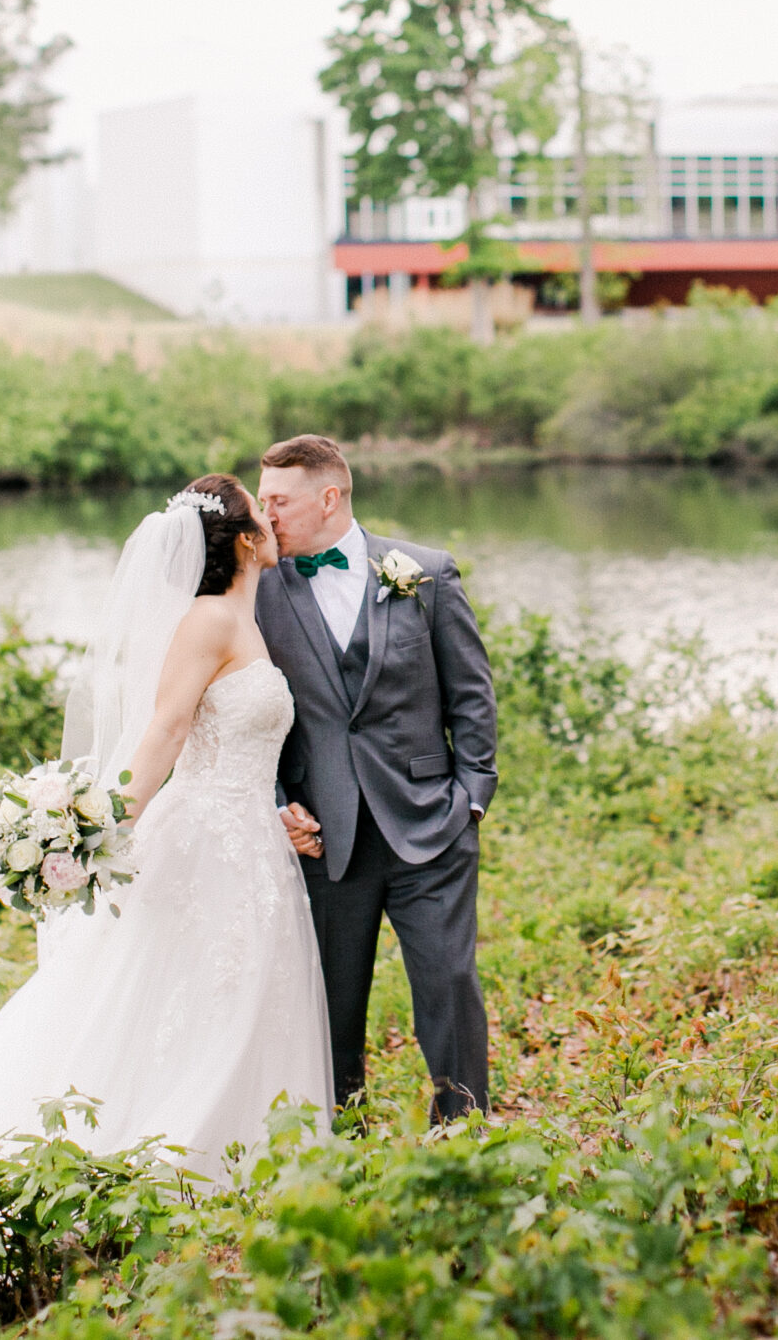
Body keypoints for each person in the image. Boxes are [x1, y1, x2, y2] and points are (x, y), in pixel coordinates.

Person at [0, 475, 331, 1182]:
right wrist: (97, 832)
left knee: (239, 996)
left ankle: (257, 1154)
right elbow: (166, 732)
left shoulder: (246, 619)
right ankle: (168, 1158)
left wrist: (275, 813)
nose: (273, 517)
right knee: (178, 993)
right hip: (202, 839)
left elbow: (234, 744)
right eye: (262, 508)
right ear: (248, 540)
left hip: (248, 839)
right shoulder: (207, 620)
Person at [256, 434, 497, 1121]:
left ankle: (464, 1130)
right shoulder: (261, 591)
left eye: (278, 501)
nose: (265, 516)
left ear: (328, 497)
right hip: (326, 839)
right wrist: (278, 803)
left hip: (431, 824)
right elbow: (251, 710)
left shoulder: (426, 573)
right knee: (331, 1001)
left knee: (450, 983)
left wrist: (472, 798)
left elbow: (471, 695)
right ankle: (345, 1135)